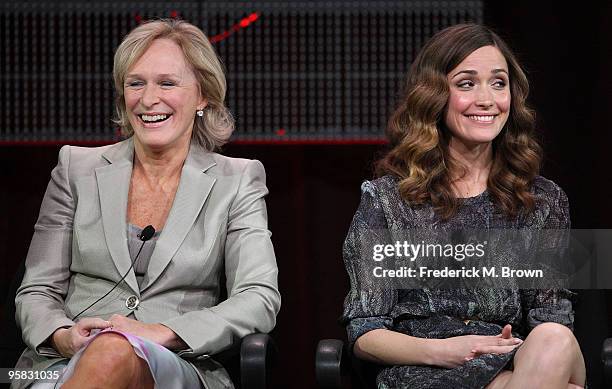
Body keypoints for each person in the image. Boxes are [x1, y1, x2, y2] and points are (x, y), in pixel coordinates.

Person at [12, 19, 280, 389]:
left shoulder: (237, 179)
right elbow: (37, 290)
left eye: (167, 83)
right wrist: (63, 335)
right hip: (64, 362)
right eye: (136, 83)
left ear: (202, 96)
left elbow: (258, 297)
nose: (149, 99)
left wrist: (162, 332)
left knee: (114, 349)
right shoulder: (77, 168)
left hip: (175, 364)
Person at [341, 24, 585, 389]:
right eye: (467, 83)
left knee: (555, 339)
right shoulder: (389, 201)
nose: (487, 99)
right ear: (435, 96)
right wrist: (446, 350)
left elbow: (552, 318)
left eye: (498, 83)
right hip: (424, 368)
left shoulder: (543, 201)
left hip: (519, 362)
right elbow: (365, 331)